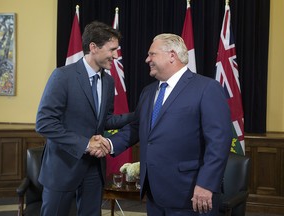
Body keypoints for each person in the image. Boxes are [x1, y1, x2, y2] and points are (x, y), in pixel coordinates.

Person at [102, 33, 232, 216]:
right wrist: (109, 144)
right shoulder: (148, 92)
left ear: (172, 55)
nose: (147, 59)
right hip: (154, 194)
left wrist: (206, 184)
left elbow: (219, 143)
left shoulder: (206, 89)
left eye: (152, 54)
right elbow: (137, 128)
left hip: (191, 193)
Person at [35, 21, 134, 216]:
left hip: (93, 169)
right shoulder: (62, 76)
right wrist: (86, 144)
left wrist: (138, 115)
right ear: (93, 47)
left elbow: (104, 120)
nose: (115, 55)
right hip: (62, 166)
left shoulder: (108, 80)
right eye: (112, 49)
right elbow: (44, 123)